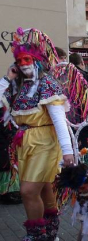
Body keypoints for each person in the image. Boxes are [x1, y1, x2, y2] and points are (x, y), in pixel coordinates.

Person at [0, 28, 74, 240]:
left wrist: (67, 151)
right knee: (43, 189)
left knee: (28, 191)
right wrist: (7, 78)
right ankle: (50, 232)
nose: (23, 64)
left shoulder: (47, 83)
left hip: (45, 143)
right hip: (24, 142)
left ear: (37, 60)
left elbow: (59, 119)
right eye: (19, 60)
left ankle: (37, 235)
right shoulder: (17, 86)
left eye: (27, 59)